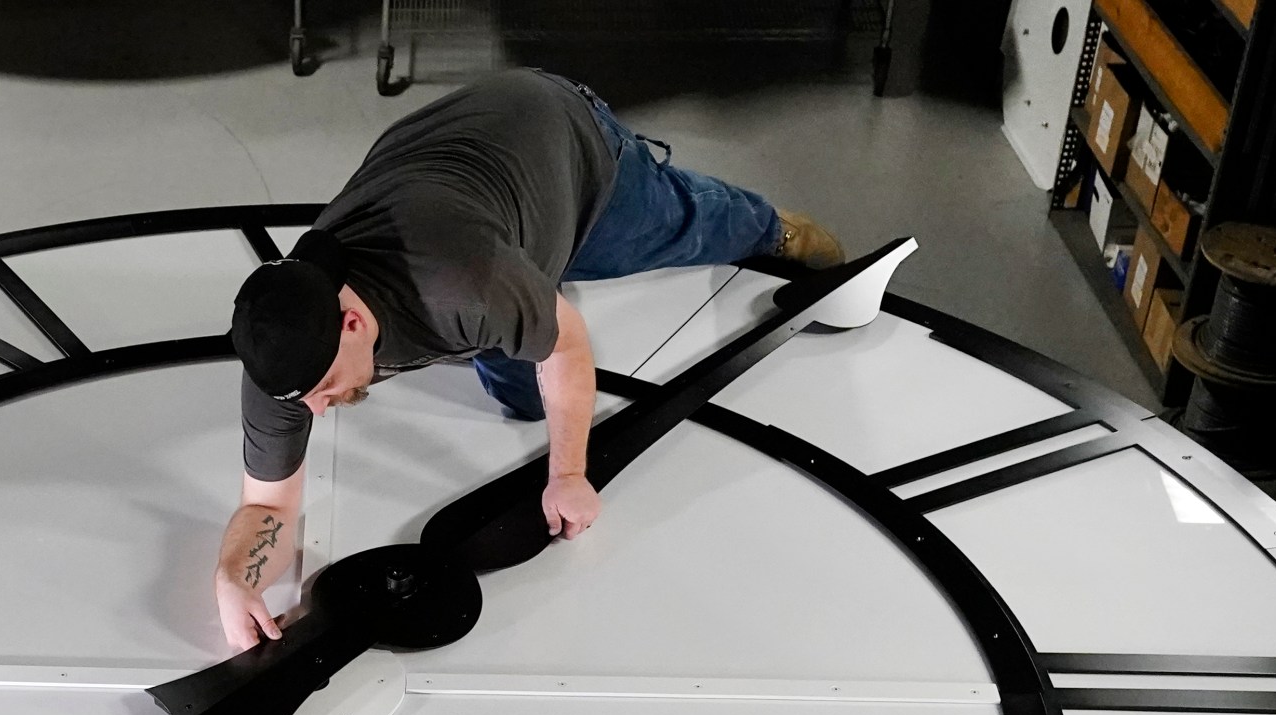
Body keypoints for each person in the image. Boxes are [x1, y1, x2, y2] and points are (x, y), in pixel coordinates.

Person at [215, 69, 844, 649]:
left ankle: (777, 229)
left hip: (563, 142)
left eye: (326, 387)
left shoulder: (463, 289)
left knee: (687, 225)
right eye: (305, 399)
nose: (318, 411)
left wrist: (569, 474)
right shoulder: (284, 355)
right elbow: (267, 507)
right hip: (471, 195)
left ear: (351, 320)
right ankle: (535, 282)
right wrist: (234, 578)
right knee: (521, 397)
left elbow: (566, 343)